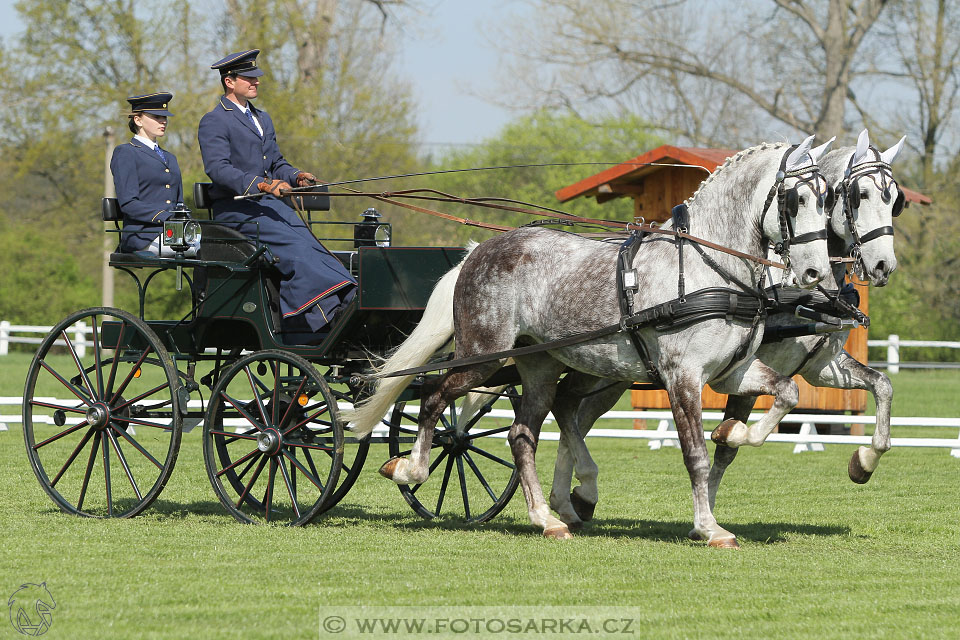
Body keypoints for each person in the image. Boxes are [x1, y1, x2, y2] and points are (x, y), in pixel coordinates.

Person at [197, 49, 357, 335]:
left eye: (256, 77)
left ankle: (345, 302)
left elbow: (276, 163)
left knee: (316, 248)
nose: (256, 82)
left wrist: (296, 175)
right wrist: (261, 184)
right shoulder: (215, 120)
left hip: (267, 208)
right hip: (237, 210)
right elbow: (218, 169)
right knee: (297, 251)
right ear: (229, 81)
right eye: (248, 77)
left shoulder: (262, 118)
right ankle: (311, 317)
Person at [111, 92, 198, 255]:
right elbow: (129, 203)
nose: (163, 121)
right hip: (142, 234)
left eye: (164, 117)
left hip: (173, 232)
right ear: (138, 120)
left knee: (217, 248)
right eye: (156, 117)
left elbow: (178, 202)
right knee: (201, 252)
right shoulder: (126, 153)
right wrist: (164, 217)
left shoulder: (170, 158)